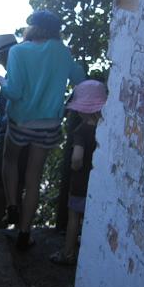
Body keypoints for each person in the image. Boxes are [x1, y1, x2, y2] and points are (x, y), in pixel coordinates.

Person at [0, 9, 86, 250]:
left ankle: (12, 206)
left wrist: (0, 82)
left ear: (31, 27)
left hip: (21, 122)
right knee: (34, 178)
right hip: (49, 124)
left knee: (10, 160)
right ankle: (25, 234)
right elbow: (81, 80)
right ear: (56, 31)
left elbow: (14, 92)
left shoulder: (17, 51)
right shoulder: (62, 52)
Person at [49, 79, 107, 265]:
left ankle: (67, 253)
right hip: (99, 184)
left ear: (81, 109)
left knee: (74, 217)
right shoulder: (105, 129)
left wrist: (75, 167)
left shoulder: (81, 131)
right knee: (94, 216)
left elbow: (76, 158)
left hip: (80, 183)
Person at [0, 34, 28, 228]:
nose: (0, 63)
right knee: (17, 184)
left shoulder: (15, 77)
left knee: (2, 184)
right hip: (24, 135)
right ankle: (19, 229)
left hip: (11, 133)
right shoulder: (25, 74)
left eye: (1, 58)